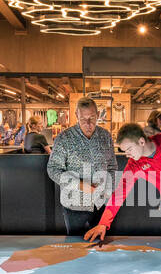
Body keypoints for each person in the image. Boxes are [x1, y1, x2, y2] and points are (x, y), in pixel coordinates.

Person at [47, 97, 117, 236]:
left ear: (98, 114)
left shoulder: (105, 136)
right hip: (74, 206)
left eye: (92, 117)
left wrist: (108, 190)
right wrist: (79, 185)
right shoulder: (64, 138)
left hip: (101, 204)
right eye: (83, 119)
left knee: (100, 246)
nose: (88, 123)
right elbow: (53, 169)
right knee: (76, 248)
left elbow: (112, 167)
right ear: (76, 116)